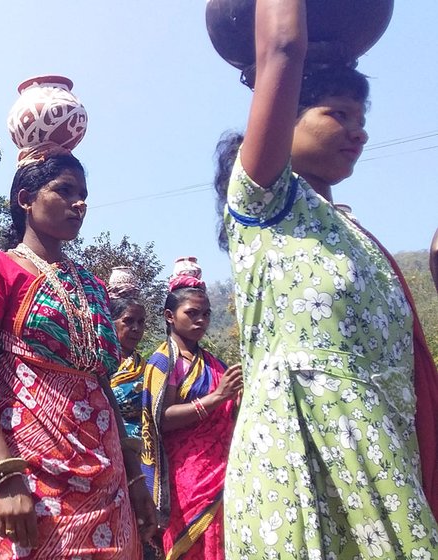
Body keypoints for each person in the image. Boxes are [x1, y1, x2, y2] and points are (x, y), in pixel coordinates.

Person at [214, 0, 438, 555]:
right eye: (337, 114)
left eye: (362, 120)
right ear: (284, 114)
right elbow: (284, 50)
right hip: (299, 451)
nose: (357, 132)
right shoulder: (264, 203)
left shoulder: (356, 235)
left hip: (382, 456)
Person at [0, 75, 154, 559]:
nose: (79, 202)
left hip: (106, 470)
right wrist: (5, 475)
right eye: (64, 190)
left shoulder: (88, 280)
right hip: (33, 472)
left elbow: (100, 381)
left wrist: (134, 475)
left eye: (83, 192)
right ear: (26, 199)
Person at [140, 259, 241, 559]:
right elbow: (162, 419)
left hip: (221, 471)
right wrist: (217, 397)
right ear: (170, 316)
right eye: (192, 313)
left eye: (206, 314)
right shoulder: (163, 362)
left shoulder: (214, 364)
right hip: (185, 479)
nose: (201, 321)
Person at [106, 268, 149, 441]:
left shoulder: (146, 367)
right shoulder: (99, 363)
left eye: (141, 322)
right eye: (128, 321)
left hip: (143, 449)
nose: (136, 328)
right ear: (110, 322)